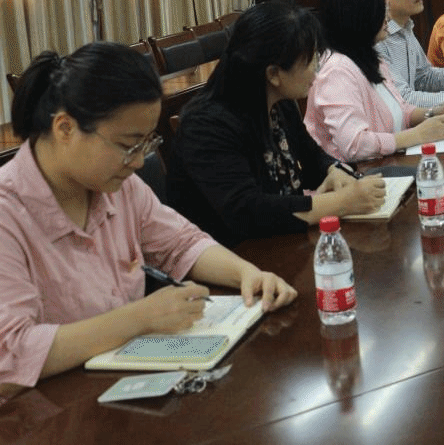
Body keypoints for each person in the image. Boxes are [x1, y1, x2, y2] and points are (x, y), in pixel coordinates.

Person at [0, 43, 297, 395]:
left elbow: (181, 243)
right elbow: (11, 352)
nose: (140, 161)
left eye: (145, 143)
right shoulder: (8, 213)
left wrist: (247, 274)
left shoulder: (116, 186)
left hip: (124, 386)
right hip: (46, 409)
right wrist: (140, 318)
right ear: (65, 128)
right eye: (128, 145)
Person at [171, 2, 389, 246]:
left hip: (283, 242)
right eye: (309, 62)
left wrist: (333, 171)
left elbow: (312, 156)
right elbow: (248, 212)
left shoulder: (279, 102)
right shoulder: (206, 126)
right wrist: (342, 202)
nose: (316, 72)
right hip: (237, 254)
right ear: (273, 73)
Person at [305, 0, 444, 163]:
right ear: (359, 15)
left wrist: (436, 112)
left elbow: (401, 111)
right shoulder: (336, 71)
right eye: (382, 8)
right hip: (354, 175)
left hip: (384, 166)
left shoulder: (370, 58)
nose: (388, 16)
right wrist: (418, 135)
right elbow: (355, 146)